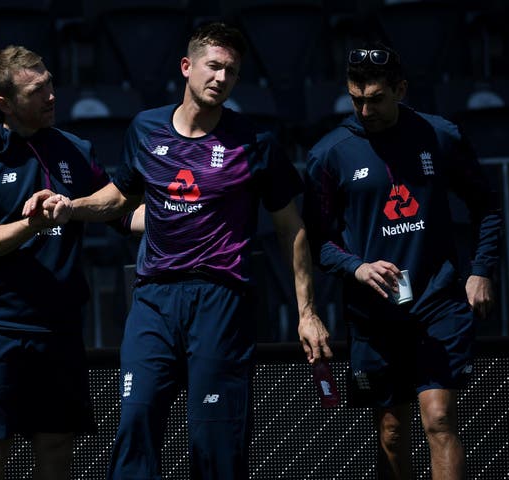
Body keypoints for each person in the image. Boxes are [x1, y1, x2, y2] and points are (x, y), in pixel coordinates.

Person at [23, 21, 331, 479]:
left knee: (214, 437)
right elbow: (120, 196)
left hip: (222, 300)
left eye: (231, 71)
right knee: (136, 420)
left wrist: (307, 313)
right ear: (187, 66)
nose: (221, 78)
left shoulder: (256, 142)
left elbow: (293, 229)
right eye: (213, 66)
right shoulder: (145, 128)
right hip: (153, 298)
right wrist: (71, 206)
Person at [304, 42, 501, 479]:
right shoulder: (328, 154)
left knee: (439, 419)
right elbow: (316, 242)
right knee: (391, 431)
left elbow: (486, 207)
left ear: (401, 90)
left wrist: (481, 270)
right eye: (356, 99)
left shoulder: (440, 135)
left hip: (438, 300)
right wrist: (356, 267)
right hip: (374, 312)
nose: (365, 110)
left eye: (375, 99)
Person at [0, 45, 138, 480]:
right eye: (37, 90)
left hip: (61, 327)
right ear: (4, 104)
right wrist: (31, 225)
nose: (51, 95)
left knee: (56, 442)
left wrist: (189, 214)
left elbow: (120, 213)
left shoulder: (75, 148)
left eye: (50, 82)